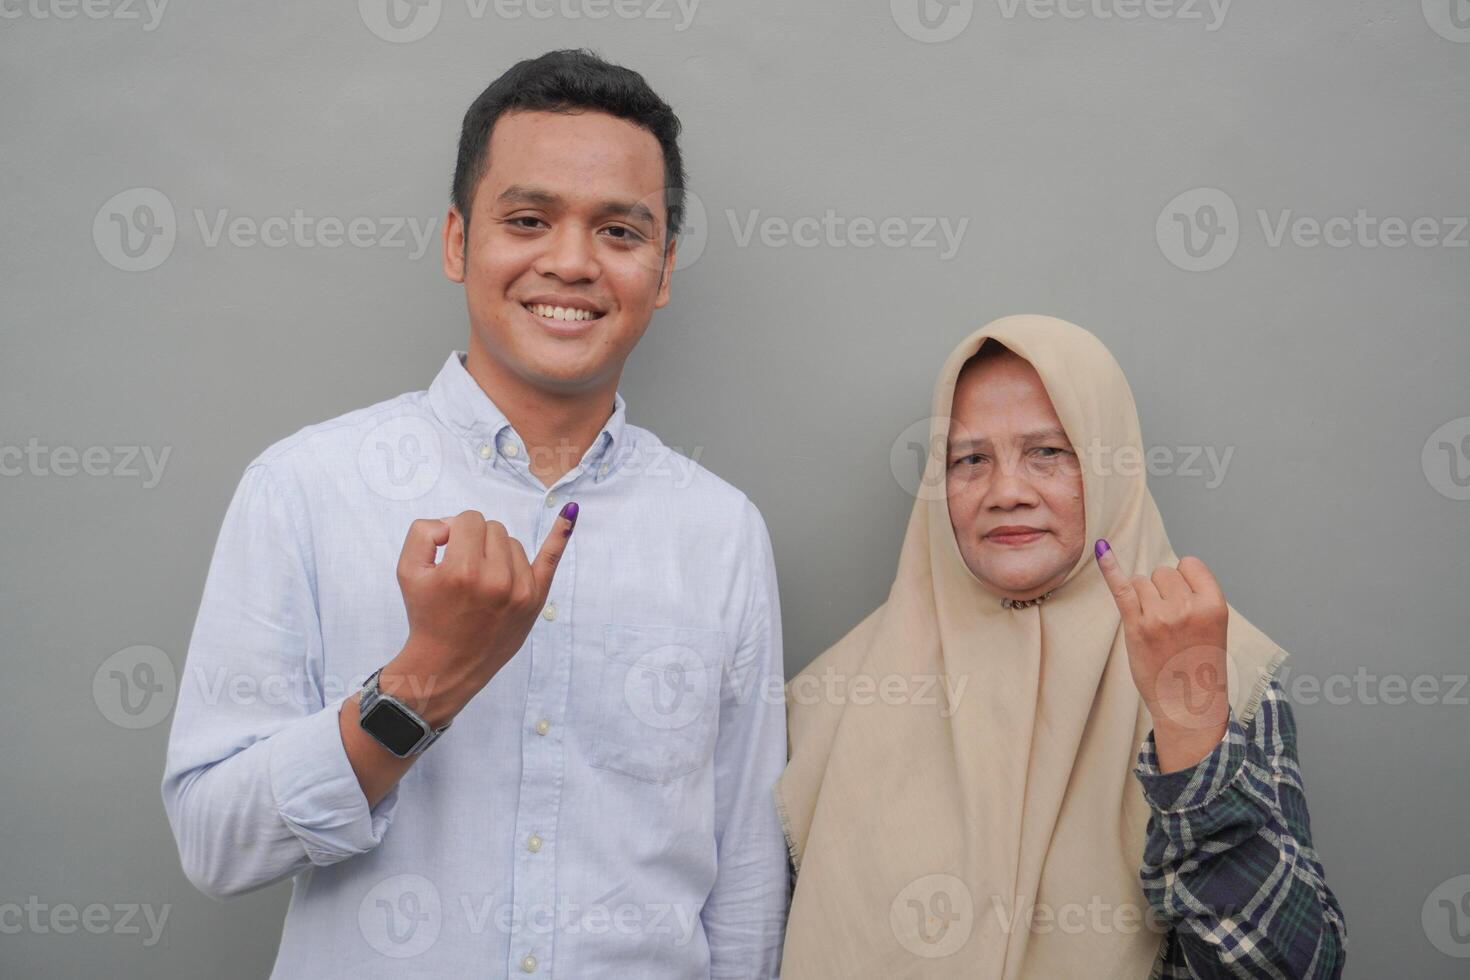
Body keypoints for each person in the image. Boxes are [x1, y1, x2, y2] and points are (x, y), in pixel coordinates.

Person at [161, 49, 789, 978]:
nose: (571, 262)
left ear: (660, 271)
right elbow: (217, 845)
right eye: (529, 220)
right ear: (459, 243)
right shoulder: (305, 488)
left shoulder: (722, 532)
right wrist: (424, 679)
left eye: (620, 231)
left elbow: (742, 880)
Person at [777, 315, 1345, 978]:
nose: (1007, 492)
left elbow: (1290, 971)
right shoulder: (835, 696)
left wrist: (1191, 734)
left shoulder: (1217, 671)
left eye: (1049, 452)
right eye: (970, 459)